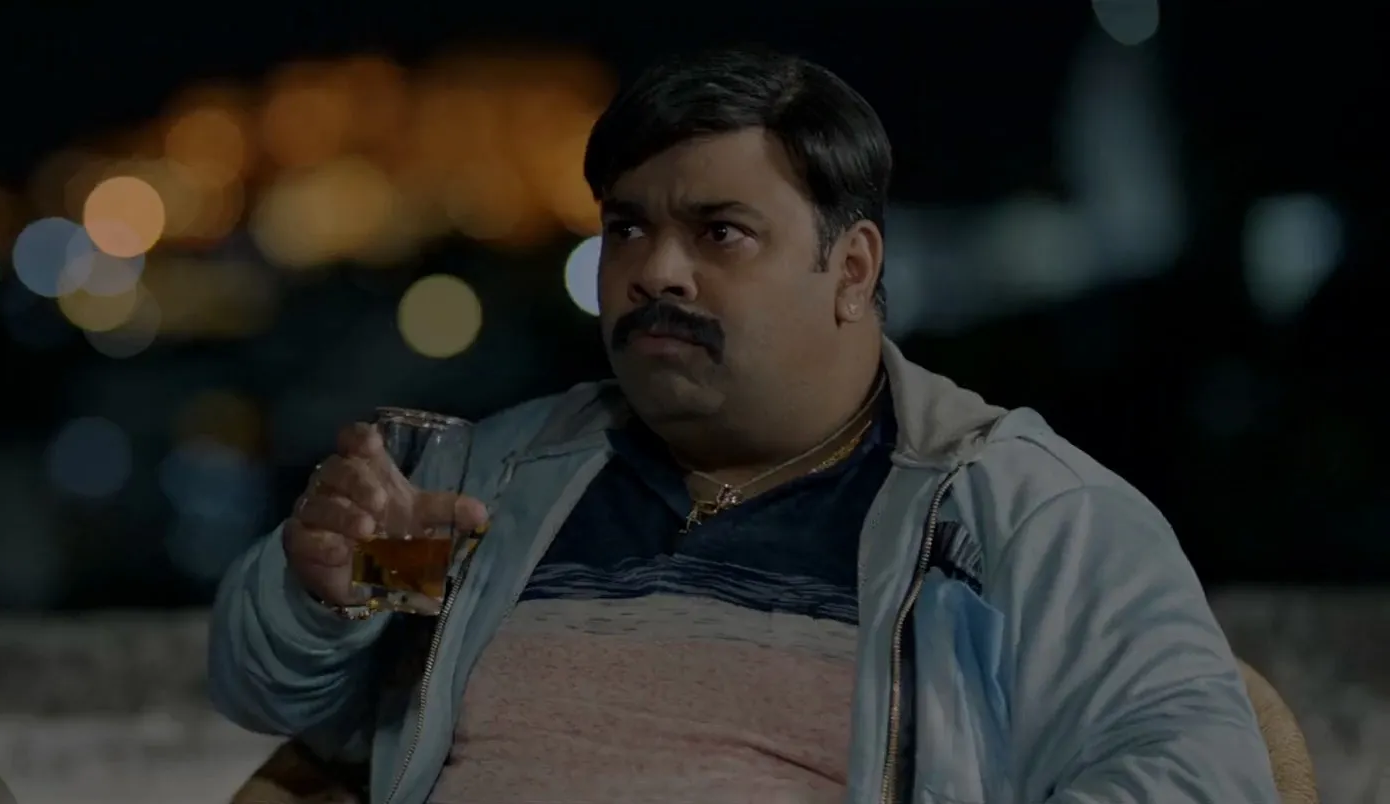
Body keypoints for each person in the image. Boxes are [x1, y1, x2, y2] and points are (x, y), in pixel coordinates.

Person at [208, 46, 1279, 804]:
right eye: (628, 229)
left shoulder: (1016, 513)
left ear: (850, 269)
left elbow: (1198, 776)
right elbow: (274, 697)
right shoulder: (503, 473)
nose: (654, 273)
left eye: (719, 232)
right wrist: (322, 597)